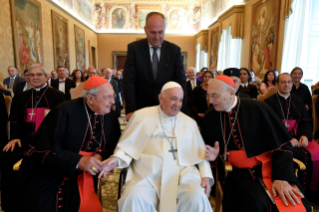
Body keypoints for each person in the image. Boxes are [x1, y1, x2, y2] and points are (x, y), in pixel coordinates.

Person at [7, 76, 121, 212]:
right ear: (90, 98)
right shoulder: (64, 111)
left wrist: (99, 156)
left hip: (87, 174)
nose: (113, 102)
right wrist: (78, 161)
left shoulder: (110, 115)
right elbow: (43, 151)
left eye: (112, 96)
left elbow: (112, 145)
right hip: (52, 174)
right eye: (107, 97)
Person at [99, 81, 216, 212]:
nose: (177, 104)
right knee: (133, 197)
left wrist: (205, 175)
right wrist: (116, 159)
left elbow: (200, 155)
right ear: (161, 98)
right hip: (146, 174)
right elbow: (127, 147)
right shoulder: (141, 116)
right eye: (173, 99)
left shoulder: (189, 123)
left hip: (182, 175)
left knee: (196, 196)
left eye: (181, 100)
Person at [202, 75, 312, 212]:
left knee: (296, 205)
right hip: (239, 175)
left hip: (273, 168)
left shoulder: (258, 108)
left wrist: (281, 177)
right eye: (209, 95)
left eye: (214, 95)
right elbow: (206, 153)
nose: (210, 100)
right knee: (256, 205)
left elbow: (282, 144)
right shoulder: (210, 117)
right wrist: (214, 157)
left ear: (231, 93)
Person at [2, 64, 65, 211]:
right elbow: (15, 121)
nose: (35, 78)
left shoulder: (57, 96)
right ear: (27, 78)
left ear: (46, 76)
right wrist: (14, 138)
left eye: (39, 75)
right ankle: (13, 203)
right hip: (25, 142)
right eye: (32, 75)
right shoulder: (21, 97)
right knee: (7, 156)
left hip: (49, 143)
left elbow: (63, 122)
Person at [265, 73, 319, 204]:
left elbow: (306, 122)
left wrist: (304, 136)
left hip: (298, 138)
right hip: (279, 140)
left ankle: (312, 193)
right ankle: (292, 189)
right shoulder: (269, 102)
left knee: (316, 153)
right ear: (277, 84)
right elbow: (268, 126)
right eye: (283, 82)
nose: (287, 85)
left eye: (289, 82)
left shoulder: (298, 101)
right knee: (293, 154)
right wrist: (287, 139)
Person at [123, 12, 186, 121]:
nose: (157, 37)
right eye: (153, 32)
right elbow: (129, 81)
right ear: (145, 30)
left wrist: (182, 110)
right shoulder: (134, 49)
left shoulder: (174, 50)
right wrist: (130, 110)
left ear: (165, 29)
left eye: (160, 32)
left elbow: (181, 82)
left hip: (167, 108)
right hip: (140, 108)